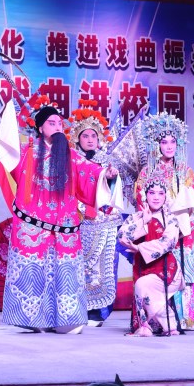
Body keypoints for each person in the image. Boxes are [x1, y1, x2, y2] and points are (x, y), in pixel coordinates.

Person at [0, 95, 119, 334]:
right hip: (33, 226)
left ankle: (66, 318)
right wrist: (8, 117)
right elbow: (6, 152)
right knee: (33, 271)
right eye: (52, 123)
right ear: (40, 128)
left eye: (60, 124)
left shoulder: (71, 155)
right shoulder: (27, 152)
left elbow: (90, 172)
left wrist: (107, 176)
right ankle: (31, 318)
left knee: (65, 272)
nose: (58, 127)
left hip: (63, 227)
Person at [135, 111, 194, 330]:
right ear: (157, 145)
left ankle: (184, 317)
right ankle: (158, 318)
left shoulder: (185, 171)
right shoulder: (148, 172)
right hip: (157, 230)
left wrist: (184, 224)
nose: (169, 146)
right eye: (164, 142)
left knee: (183, 269)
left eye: (173, 142)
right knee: (159, 271)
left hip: (182, 230)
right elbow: (140, 198)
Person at [67, 100, 122, 327]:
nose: (90, 140)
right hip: (79, 220)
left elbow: (113, 190)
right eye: (85, 136)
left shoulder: (107, 161)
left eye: (93, 136)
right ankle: (78, 306)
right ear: (77, 138)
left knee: (102, 264)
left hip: (103, 221)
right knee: (79, 264)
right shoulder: (72, 160)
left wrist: (111, 178)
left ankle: (98, 309)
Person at [118, 174, 182, 336]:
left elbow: (167, 243)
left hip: (167, 270)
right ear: (145, 195)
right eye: (152, 193)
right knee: (142, 287)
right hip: (142, 268)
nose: (156, 197)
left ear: (166, 196)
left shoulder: (171, 219)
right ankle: (157, 326)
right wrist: (143, 222)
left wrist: (139, 248)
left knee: (143, 285)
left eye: (161, 193)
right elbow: (122, 237)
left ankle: (166, 324)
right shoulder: (136, 217)